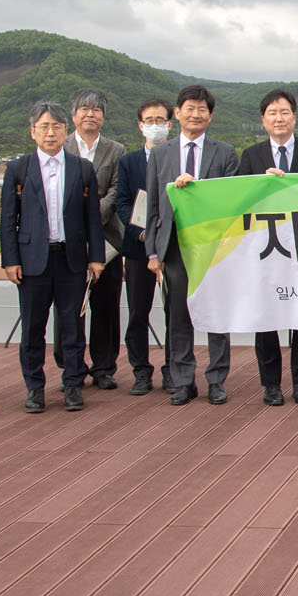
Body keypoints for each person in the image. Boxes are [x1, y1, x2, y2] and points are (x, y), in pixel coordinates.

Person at [0, 102, 106, 413]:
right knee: (33, 328)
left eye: (56, 127)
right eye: (44, 127)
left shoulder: (81, 169)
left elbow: (92, 219)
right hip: (32, 261)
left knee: (73, 326)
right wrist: (10, 260)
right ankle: (34, 388)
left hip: (71, 259)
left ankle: (72, 384)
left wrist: (96, 257)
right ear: (33, 132)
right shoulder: (18, 169)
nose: (50, 133)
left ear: (65, 131)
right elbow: (8, 220)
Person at [146, 85, 240, 405]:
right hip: (174, 246)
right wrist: (153, 252)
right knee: (178, 315)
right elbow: (153, 205)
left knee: (216, 312)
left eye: (202, 109)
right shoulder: (160, 154)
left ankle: (216, 379)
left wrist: (199, 192)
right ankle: (183, 380)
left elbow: (232, 202)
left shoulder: (225, 153)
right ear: (177, 113)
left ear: (210, 116)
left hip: (213, 247)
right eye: (189, 108)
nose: (195, 114)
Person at [238, 89, 298, 405]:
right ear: (263, 120)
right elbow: (241, 201)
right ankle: (271, 384)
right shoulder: (251, 156)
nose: (279, 118)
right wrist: (262, 184)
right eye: (272, 113)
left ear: (295, 117)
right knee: (267, 317)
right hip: (266, 248)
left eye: (285, 112)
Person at [52, 88, 124, 391]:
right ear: (73, 115)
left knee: (106, 305)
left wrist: (92, 215)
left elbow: (118, 190)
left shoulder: (116, 150)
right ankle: (71, 365)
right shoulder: (61, 145)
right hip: (67, 239)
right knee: (68, 306)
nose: (90, 114)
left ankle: (104, 367)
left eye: (96, 110)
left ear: (103, 116)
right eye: (84, 109)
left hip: (107, 240)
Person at [115, 97, 173, 395]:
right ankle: (140, 371)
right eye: (149, 121)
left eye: (160, 120)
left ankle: (173, 370)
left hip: (173, 249)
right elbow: (122, 203)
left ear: (170, 124)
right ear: (140, 126)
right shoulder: (128, 162)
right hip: (138, 249)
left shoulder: (177, 158)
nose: (155, 126)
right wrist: (143, 235)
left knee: (174, 313)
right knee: (138, 312)